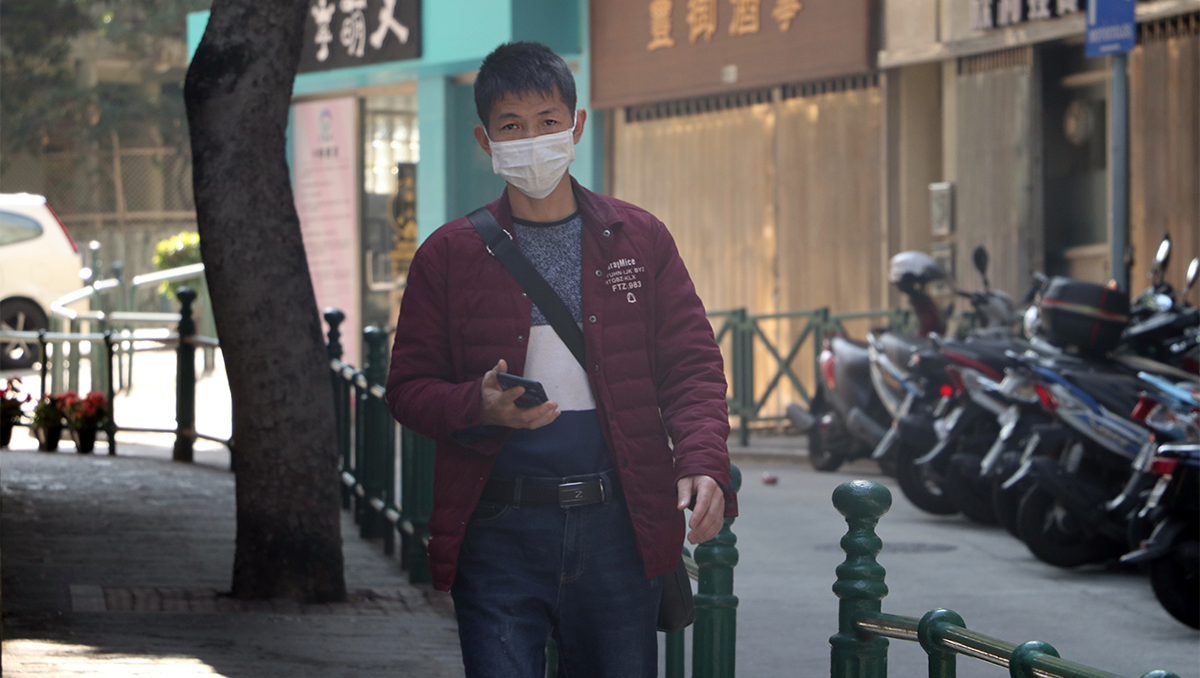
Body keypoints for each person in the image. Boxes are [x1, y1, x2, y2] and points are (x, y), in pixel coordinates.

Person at [385, 41, 736, 678]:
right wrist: (477, 405)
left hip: (619, 527)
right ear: (484, 139)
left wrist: (704, 459)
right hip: (496, 529)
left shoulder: (638, 236)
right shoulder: (449, 254)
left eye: (548, 122)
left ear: (576, 126)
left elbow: (692, 365)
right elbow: (407, 387)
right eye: (511, 127)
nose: (532, 139)